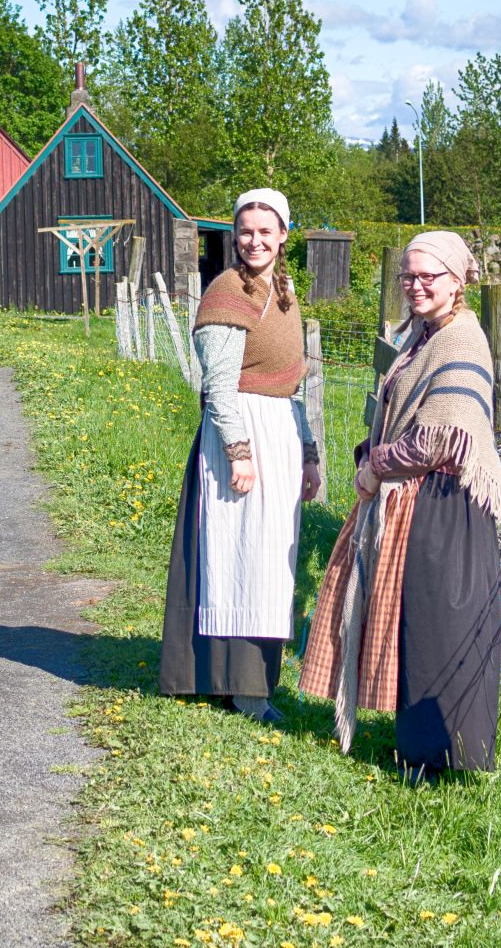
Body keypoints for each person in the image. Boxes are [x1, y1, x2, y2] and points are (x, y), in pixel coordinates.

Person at [299, 230, 501, 777]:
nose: (416, 286)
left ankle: (447, 760)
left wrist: (376, 466)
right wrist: (372, 449)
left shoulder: (462, 340)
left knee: (438, 629)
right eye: (408, 276)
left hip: (448, 504)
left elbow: (440, 436)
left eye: (428, 277)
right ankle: (418, 750)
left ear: (457, 280)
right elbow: (408, 415)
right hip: (420, 496)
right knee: (414, 625)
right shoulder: (425, 334)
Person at [160, 189, 322, 721]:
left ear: (283, 235)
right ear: (235, 236)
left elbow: (292, 383)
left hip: (277, 431)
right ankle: (240, 686)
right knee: (240, 553)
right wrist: (239, 452)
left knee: (270, 556)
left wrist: (307, 454)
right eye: (245, 231)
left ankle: (252, 681)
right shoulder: (228, 292)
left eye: (265, 230)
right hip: (242, 436)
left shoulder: (282, 289)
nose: (255, 240)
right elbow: (221, 387)